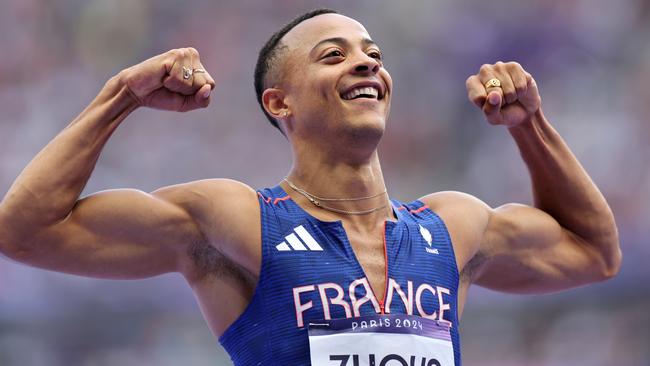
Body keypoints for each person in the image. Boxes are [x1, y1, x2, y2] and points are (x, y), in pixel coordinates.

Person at [0, 8, 621, 366]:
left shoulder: (451, 226)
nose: (367, 62)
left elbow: (595, 254)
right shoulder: (237, 221)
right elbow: (26, 232)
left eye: (373, 53)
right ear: (280, 102)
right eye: (333, 54)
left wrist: (529, 125)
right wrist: (122, 96)